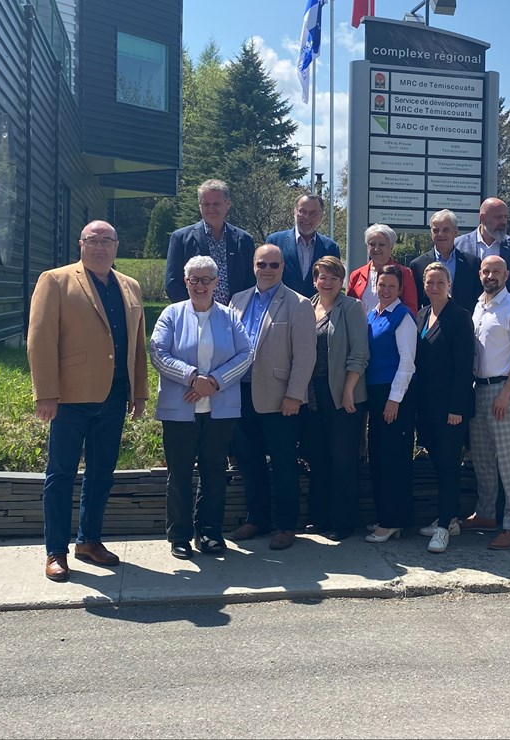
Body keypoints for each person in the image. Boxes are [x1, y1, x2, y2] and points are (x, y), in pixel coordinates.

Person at [28, 220, 148, 583]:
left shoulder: (130, 286)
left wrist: (138, 391)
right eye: (92, 240)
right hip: (69, 398)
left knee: (101, 474)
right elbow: (40, 339)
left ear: (116, 245)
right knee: (61, 474)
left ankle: (89, 541)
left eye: (107, 240)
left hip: (113, 396)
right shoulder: (56, 280)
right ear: (80, 244)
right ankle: (56, 551)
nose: (100, 246)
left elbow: (136, 343)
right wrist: (46, 393)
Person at [149, 256, 253, 559]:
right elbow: (157, 352)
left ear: (216, 283)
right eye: (194, 279)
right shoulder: (171, 314)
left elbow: (246, 353)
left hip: (220, 408)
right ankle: (179, 536)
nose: (200, 285)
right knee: (179, 473)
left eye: (206, 279)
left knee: (214, 471)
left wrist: (215, 382)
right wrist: (192, 378)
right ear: (185, 281)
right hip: (179, 408)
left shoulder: (229, 317)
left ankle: (209, 531)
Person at [228, 243, 317, 551]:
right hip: (239, 395)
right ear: (253, 266)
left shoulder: (298, 303)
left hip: (280, 399)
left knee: (283, 464)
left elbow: (305, 356)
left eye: (273, 265)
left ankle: (285, 525)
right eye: (261, 264)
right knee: (249, 462)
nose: (267, 270)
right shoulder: (237, 300)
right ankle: (257, 519)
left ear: (283, 268)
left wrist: (294, 395)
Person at [463, 255, 510, 550]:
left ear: (506, 275)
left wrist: (507, 392)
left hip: (504, 389)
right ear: (480, 273)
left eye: (497, 271)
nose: (491, 275)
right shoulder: (479, 306)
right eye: (486, 270)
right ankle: (485, 513)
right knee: (481, 457)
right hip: (478, 389)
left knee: (507, 460)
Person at [300, 255, 368, 541]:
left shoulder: (351, 308)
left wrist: (349, 388)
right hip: (313, 395)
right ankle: (320, 517)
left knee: (343, 459)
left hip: (344, 394)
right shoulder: (306, 307)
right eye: (321, 277)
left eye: (332, 277)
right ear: (315, 279)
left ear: (341, 281)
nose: (326, 282)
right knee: (318, 457)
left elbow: (360, 353)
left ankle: (343, 522)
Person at [413, 262, 475, 553]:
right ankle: (448, 519)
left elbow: (464, 367)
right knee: (439, 464)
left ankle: (444, 527)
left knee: (449, 466)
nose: (434, 287)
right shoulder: (421, 315)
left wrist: (457, 407)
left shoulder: (460, 317)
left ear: (449, 285)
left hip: (451, 409)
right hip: (426, 407)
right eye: (430, 282)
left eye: (440, 282)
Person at [363, 264, 417, 542]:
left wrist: (394, 399)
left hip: (394, 396)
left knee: (393, 459)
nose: (385, 290)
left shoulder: (403, 317)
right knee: (379, 457)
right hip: (374, 394)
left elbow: (407, 363)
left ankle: (393, 520)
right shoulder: (372, 315)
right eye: (381, 285)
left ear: (399, 290)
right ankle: (387, 517)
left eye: (391, 287)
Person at [165, 179, 255, 304]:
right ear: (199, 206)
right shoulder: (181, 239)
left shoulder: (244, 240)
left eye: (216, 204)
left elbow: (251, 282)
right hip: (196, 317)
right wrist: (196, 310)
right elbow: (172, 283)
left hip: (235, 316)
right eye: (206, 204)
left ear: (227, 204)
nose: (211, 208)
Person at [266, 194, 342, 298]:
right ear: (295, 212)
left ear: (321, 216)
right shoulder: (275, 241)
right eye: (302, 212)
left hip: (316, 311)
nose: (307, 217)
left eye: (313, 213)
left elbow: (335, 283)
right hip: (280, 308)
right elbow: (266, 277)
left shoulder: (330, 247)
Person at [454, 197, 510, 299]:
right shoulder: (459, 245)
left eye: (505, 217)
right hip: (469, 312)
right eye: (498, 217)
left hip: (506, 312)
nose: (503, 222)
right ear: (483, 218)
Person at [409, 209, 483, 311]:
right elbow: (416, 303)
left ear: (456, 231)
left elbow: (479, 298)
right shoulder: (418, 265)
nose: (440, 234)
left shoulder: (473, 263)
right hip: (431, 323)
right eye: (436, 230)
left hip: (464, 323)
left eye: (446, 230)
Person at [347, 223, 417, 312]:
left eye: (382, 244)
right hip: (360, 325)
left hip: (393, 325)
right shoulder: (356, 275)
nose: (376, 249)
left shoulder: (404, 273)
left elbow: (411, 309)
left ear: (391, 247)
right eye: (372, 244)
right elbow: (348, 307)